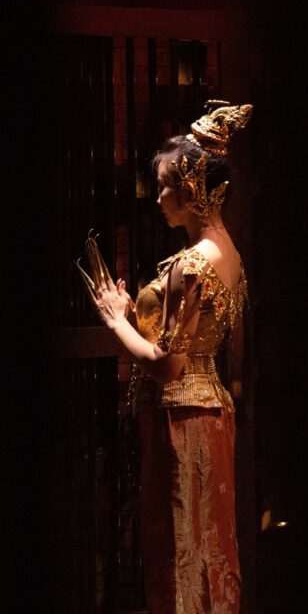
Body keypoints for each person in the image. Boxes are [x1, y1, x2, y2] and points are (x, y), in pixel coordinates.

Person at [88, 101, 252, 614]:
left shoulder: (192, 264)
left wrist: (116, 321)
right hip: (210, 410)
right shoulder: (228, 252)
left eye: (165, 186)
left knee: (179, 551)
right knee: (208, 545)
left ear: (193, 188)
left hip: (180, 417)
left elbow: (167, 365)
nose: (158, 197)